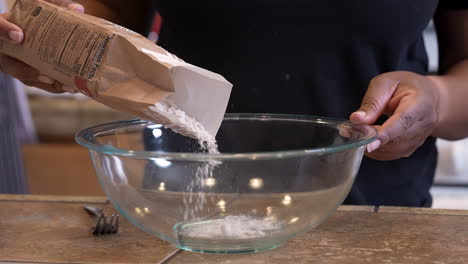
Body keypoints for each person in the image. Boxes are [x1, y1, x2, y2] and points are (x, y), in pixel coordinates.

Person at [2, 0, 468, 207]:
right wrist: (55, 36)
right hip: (185, 211)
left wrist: (439, 99)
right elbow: (113, 10)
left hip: (372, 217)